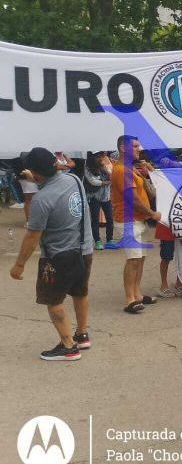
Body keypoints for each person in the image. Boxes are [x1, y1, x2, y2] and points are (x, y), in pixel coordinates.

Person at [10, 148, 93, 361]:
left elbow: (32, 236)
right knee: (80, 291)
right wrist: (37, 178)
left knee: (53, 300)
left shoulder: (41, 200)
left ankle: (68, 346)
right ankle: (82, 334)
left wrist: (19, 265)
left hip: (59, 256)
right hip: (84, 248)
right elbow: (54, 184)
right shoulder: (73, 179)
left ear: (36, 174)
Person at [111, 135, 162, 314]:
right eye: (135, 146)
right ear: (123, 148)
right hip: (128, 220)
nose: (138, 149)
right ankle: (129, 299)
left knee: (139, 259)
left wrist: (148, 174)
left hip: (137, 219)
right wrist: (152, 214)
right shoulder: (121, 171)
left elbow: (148, 193)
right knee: (133, 260)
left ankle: (137, 295)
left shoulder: (129, 169)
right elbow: (132, 199)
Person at [84, 152, 113, 251]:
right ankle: (97, 241)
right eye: (98, 156)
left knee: (110, 218)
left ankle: (110, 240)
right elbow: (93, 182)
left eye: (101, 156)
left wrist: (104, 168)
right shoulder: (88, 168)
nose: (101, 158)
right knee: (95, 219)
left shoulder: (104, 164)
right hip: (94, 197)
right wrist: (106, 182)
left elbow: (112, 175)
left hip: (106, 196)